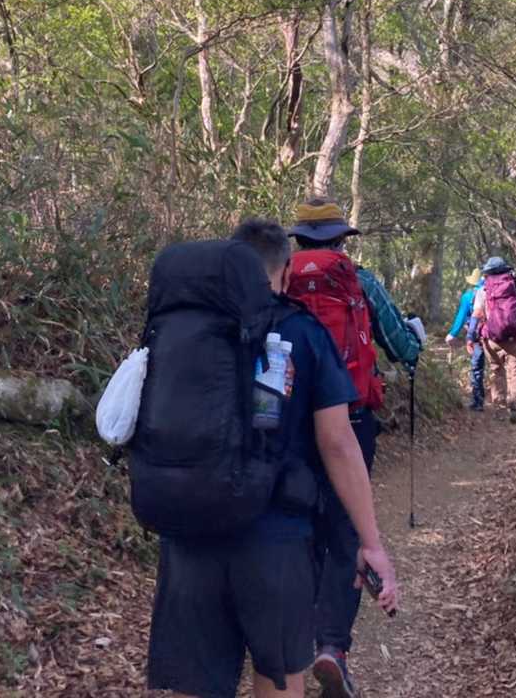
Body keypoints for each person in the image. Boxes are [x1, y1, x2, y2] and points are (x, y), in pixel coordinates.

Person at [145, 220, 399, 698]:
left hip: (189, 536)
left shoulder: (181, 330)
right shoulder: (302, 331)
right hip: (275, 541)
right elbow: (338, 443)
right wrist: (371, 543)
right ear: (285, 272)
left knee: (197, 685)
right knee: (278, 676)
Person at [285, 198, 407, 698]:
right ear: (341, 239)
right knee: (345, 531)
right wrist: (414, 341)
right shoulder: (360, 280)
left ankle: (296, 640)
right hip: (351, 421)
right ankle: (332, 646)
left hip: (289, 425)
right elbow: (403, 345)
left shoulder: (278, 279)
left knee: (301, 529)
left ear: (297, 240)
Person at [473, 255, 516, 425]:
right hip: (515, 338)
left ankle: (499, 409)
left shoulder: (483, 290)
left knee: (496, 370)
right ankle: (514, 406)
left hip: (492, 339)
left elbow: (477, 313)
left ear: (488, 273)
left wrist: (473, 334)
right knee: (515, 372)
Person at [445, 269, 486, 412]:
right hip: (498, 335)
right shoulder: (493, 293)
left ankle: (478, 401)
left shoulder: (468, 296)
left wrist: (452, 334)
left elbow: (461, 316)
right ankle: (505, 402)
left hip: (478, 336)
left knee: (477, 366)